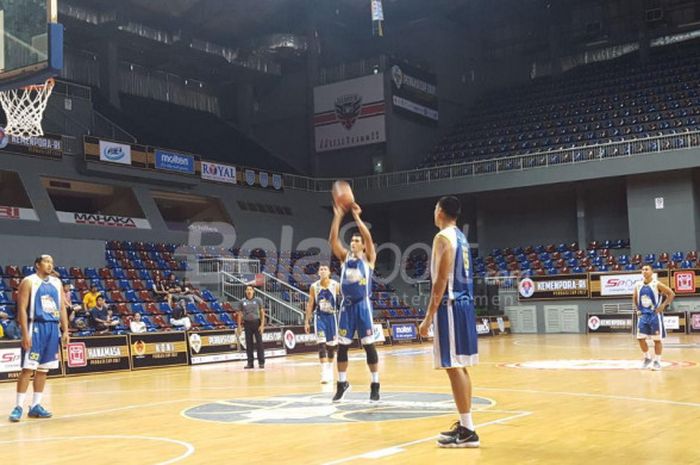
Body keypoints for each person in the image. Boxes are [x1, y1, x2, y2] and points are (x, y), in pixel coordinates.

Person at [418, 196, 480, 448]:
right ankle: (466, 426)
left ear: (441, 211)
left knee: (454, 368)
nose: (433, 211)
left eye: (435, 207)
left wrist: (427, 318)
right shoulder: (461, 237)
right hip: (464, 305)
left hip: (451, 307)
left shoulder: (442, 238)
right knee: (459, 367)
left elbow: (440, 281)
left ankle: (468, 431)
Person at [329, 202, 380, 402]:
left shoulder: (369, 258)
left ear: (363, 245)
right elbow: (333, 240)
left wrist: (357, 217)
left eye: (357, 240)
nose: (353, 241)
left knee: (369, 345)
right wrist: (338, 215)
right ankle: (342, 383)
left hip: (363, 306)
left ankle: (375, 384)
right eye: (352, 239)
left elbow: (368, 237)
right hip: (346, 306)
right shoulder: (344, 258)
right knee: (342, 347)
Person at [9, 255, 69, 422]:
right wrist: (25, 333)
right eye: (46, 261)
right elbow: (21, 308)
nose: (50, 264)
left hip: (52, 328)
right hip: (35, 327)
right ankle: (18, 406)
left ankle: (36, 406)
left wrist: (65, 331)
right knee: (28, 369)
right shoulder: (28, 281)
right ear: (37, 264)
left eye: (52, 262)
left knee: (43, 370)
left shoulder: (57, 283)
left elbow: (62, 307)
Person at [634, 264, 675, 370]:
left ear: (652, 271)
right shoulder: (638, 285)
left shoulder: (657, 284)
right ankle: (647, 358)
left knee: (656, 340)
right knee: (640, 338)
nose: (644, 271)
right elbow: (634, 298)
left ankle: (657, 361)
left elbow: (671, 294)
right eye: (643, 270)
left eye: (647, 269)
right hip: (643, 316)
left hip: (654, 316)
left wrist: (663, 305)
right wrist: (637, 309)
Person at [304, 264, 340, 384]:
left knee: (331, 347)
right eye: (321, 269)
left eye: (325, 269)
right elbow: (310, 304)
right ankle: (324, 372)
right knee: (321, 345)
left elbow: (346, 297)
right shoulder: (314, 286)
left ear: (329, 272)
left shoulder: (335, 285)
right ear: (318, 273)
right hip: (319, 317)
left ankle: (329, 368)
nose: (323, 271)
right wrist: (306, 321)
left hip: (332, 317)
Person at [238, 285, 265, 369]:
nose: (249, 291)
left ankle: (261, 362)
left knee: (259, 343)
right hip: (247, 324)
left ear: (253, 291)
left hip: (256, 323)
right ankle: (250, 363)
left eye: (250, 290)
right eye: (247, 290)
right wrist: (239, 326)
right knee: (249, 344)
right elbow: (240, 314)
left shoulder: (258, 300)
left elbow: (262, 313)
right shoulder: (242, 301)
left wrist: (262, 325)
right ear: (245, 292)